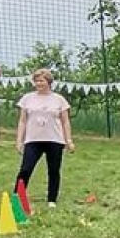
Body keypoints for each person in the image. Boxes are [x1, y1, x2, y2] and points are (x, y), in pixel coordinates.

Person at [13, 68, 74, 207]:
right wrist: (19, 140)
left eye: (41, 81)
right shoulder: (27, 99)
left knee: (53, 170)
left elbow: (65, 121)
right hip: (33, 140)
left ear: (49, 82)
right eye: (36, 81)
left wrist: (69, 140)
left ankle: (51, 199)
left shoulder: (59, 100)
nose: (38, 83)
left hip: (55, 140)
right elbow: (22, 121)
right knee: (26, 168)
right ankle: (17, 196)